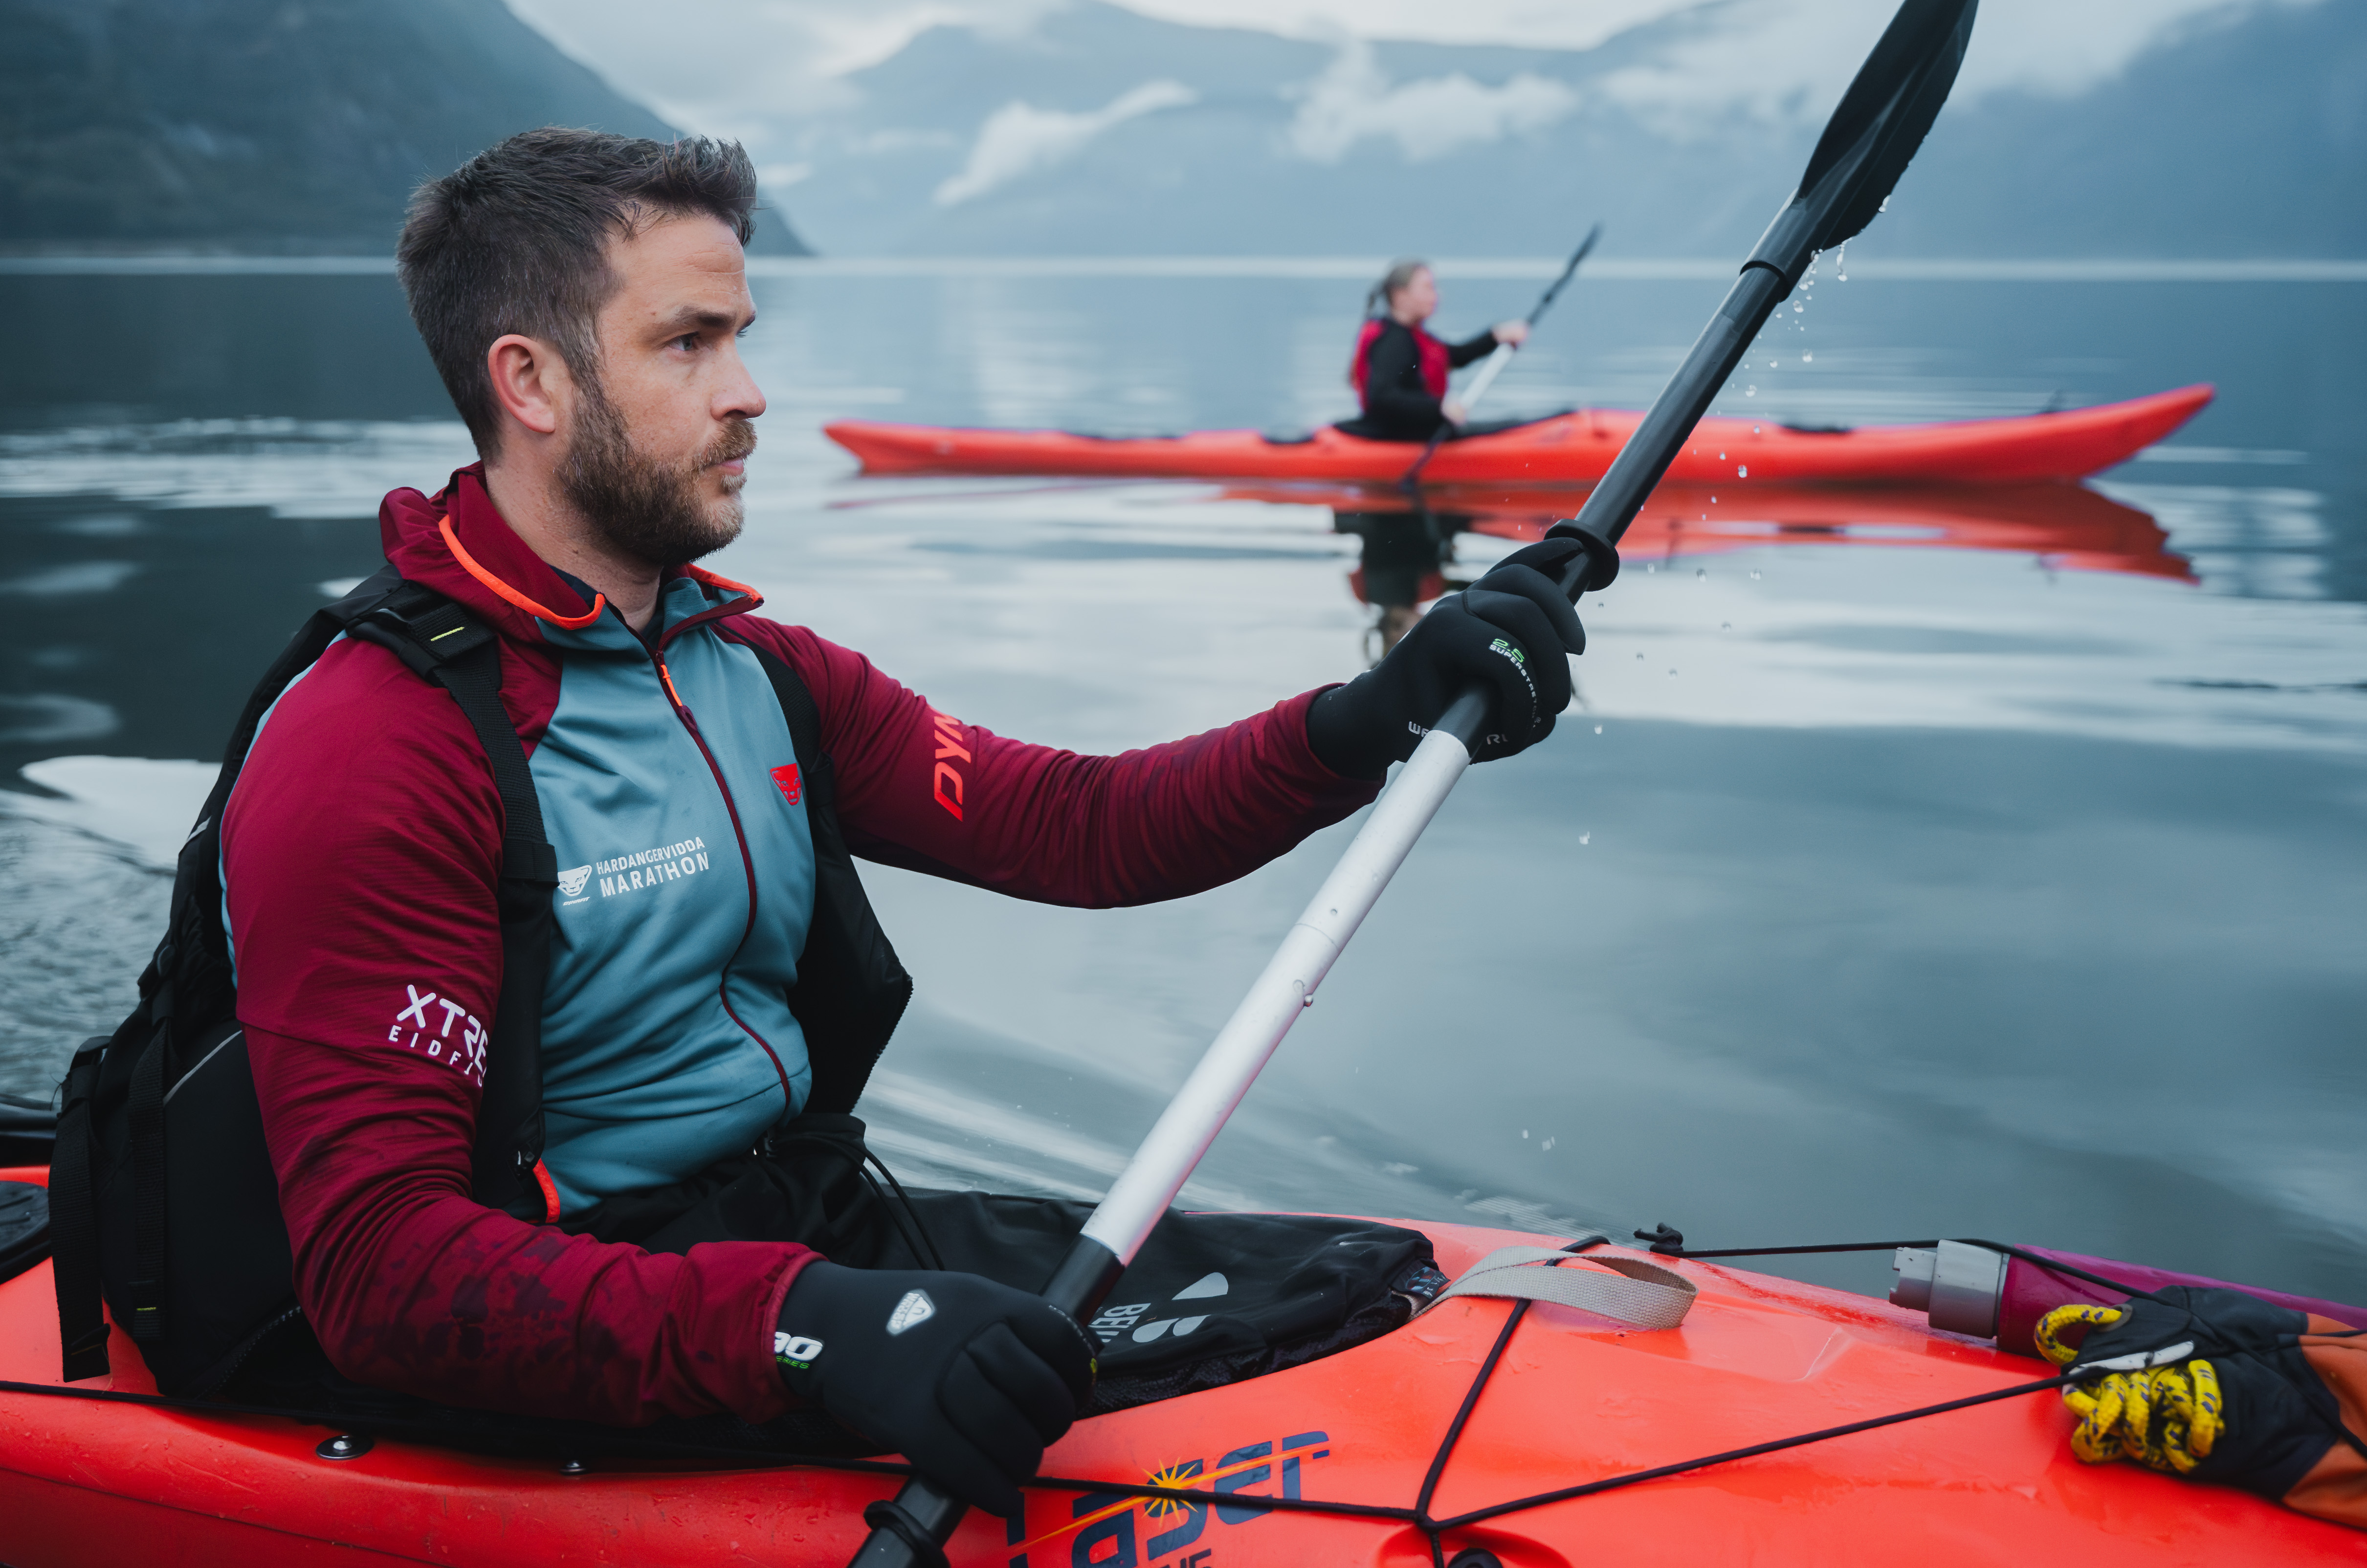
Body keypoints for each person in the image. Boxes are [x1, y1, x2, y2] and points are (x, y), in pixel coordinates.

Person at [202, 130, 1588, 1513]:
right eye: (689, 345)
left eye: (741, 336)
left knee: (1352, 1287)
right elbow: (384, 1274)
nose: (750, 394)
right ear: (533, 384)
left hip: (804, 1234)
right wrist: (816, 1333)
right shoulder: (376, 748)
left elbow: (1079, 827)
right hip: (588, 1318)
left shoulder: (752, 673)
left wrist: (1376, 715)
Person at [1341, 258, 1529, 441]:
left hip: (1415, 432)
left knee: (1513, 424)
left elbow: (1455, 356)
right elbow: (1383, 396)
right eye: (1428, 288)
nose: (1437, 295)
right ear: (1401, 295)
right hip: (1399, 437)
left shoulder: (1412, 335)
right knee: (1512, 427)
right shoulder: (1393, 342)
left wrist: (1496, 336)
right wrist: (1439, 408)